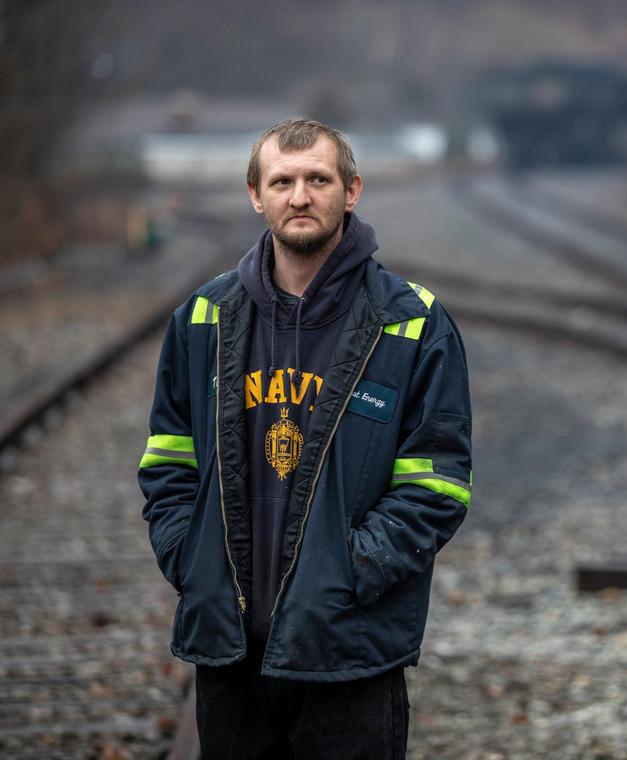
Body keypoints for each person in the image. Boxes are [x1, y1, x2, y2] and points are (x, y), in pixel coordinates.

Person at [139, 118, 472, 759]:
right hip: (231, 654)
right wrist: (190, 558)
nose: (300, 196)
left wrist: (354, 571)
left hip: (348, 649)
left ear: (351, 191)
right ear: (254, 195)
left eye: (318, 179)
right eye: (282, 181)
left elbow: (438, 482)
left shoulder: (411, 324)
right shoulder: (203, 319)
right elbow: (167, 460)